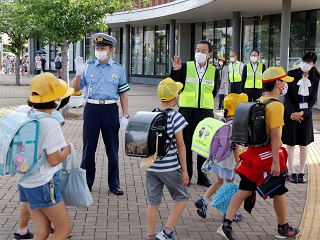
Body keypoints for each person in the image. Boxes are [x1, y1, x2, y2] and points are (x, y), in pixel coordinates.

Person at [216, 67, 300, 240]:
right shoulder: (276, 106)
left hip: (253, 154)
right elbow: (276, 135)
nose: (285, 85)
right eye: (283, 82)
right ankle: (282, 228)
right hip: (268, 157)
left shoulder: (260, 100)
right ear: (277, 83)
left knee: (244, 189)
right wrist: (276, 162)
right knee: (279, 191)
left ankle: (226, 224)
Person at [17, 72, 73, 239]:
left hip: (26, 181)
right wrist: (67, 151)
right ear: (56, 100)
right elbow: (54, 159)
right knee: (64, 230)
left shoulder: (28, 116)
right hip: (43, 183)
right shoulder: (50, 123)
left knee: (42, 231)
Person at [72, 33, 130, 195]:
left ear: (110, 50)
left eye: (102, 48)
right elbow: (76, 88)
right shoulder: (88, 67)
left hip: (110, 109)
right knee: (88, 149)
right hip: (92, 109)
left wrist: (125, 115)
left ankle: (114, 184)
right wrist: (78, 73)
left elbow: (123, 93)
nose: (99, 51)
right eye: (97, 48)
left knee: (112, 149)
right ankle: (86, 183)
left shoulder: (118, 69)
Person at [170, 40, 219, 187]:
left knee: (203, 146)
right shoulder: (185, 67)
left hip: (205, 113)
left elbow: (214, 91)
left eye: (203, 51)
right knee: (185, 144)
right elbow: (173, 84)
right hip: (186, 111)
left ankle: (202, 177)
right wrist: (176, 70)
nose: (199, 53)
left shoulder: (214, 71)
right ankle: (187, 175)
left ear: (209, 54)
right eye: (198, 50)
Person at [146, 77, 189, 240]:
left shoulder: (152, 114)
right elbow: (181, 145)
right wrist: (184, 171)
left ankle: (150, 236)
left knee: (153, 202)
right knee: (182, 197)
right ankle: (166, 231)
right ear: (174, 98)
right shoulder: (176, 117)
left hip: (151, 167)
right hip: (169, 167)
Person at [194, 93, 248, 222]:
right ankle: (229, 213)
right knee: (230, 186)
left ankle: (203, 201)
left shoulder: (222, 121)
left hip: (220, 158)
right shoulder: (235, 125)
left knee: (219, 181)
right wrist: (237, 162)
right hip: (230, 160)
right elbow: (235, 146)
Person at [282, 51, 320, 184]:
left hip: (305, 115)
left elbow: (313, 98)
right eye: (304, 61)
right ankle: (291, 171)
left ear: (313, 64)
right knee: (291, 144)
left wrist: (303, 113)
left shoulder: (316, 77)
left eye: (309, 62)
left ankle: (301, 172)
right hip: (290, 114)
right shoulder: (291, 74)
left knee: (304, 145)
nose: (305, 64)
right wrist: (293, 113)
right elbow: (287, 96)